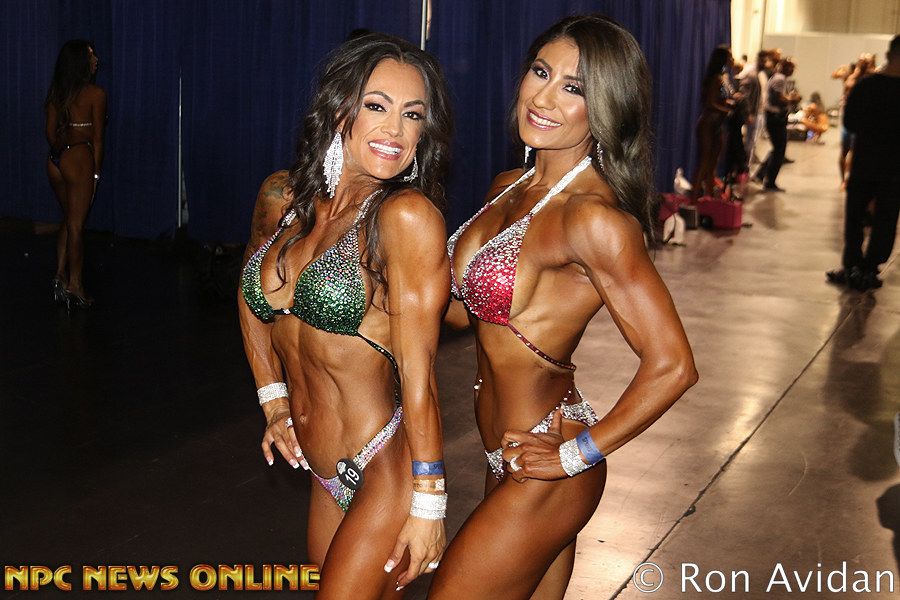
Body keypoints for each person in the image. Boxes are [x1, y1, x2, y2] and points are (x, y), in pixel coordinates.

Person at [430, 15, 697, 599]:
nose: (543, 97)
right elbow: (467, 314)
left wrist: (576, 455)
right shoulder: (507, 185)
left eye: (573, 87)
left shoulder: (593, 219)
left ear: (607, 107)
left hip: (549, 462)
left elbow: (674, 365)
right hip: (503, 454)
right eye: (540, 71)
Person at [238, 33, 453, 598]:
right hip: (322, 471)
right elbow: (249, 292)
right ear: (339, 111)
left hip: (383, 468)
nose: (395, 129)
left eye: (413, 115)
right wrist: (273, 399)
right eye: (376, 106)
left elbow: (421, 375)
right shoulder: (283, 199)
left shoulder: (405, 218)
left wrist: (429, 503)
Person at [826, 36, 900, 292]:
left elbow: (850, 123)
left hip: (864, 162)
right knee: (885, 219)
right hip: (893, 168)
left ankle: (852, 266)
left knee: (855, 216)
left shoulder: (866, 86)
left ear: (888, 55)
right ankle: (869, 268)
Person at [45, 39, 106, 308]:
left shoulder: (57, 94)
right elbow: (98, 139)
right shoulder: (96, 94)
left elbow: (50, 134)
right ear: (80, 62)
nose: (96, 60)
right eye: (90, 55)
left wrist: (63, 148)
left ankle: (59, 276)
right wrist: (95, 175)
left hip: (56, 161)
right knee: (77, 226)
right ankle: (75, 284)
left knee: (69, 219)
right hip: (79, 158)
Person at [690, 45, 735, 199]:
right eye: (729, 57)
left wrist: (729, 103)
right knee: (704, 161)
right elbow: (710, 103)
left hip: (717, 125)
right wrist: (727, 110)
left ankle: (709, 195)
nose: (732, 60)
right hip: (708, 124)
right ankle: (694, 197)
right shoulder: (715, 78)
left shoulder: (723, 77)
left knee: (714, 161)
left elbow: (720, 99)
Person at [754, 58, 801, 192]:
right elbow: (778, 98)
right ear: (785, 67)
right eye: (791, 67)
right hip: (775, 118)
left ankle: (761, 174)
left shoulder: (779, 78)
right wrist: (793, 99)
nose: (793, 70)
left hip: (775, 118)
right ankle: (769, 182)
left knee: (777, 149)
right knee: (779, 150)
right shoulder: (779, 79)